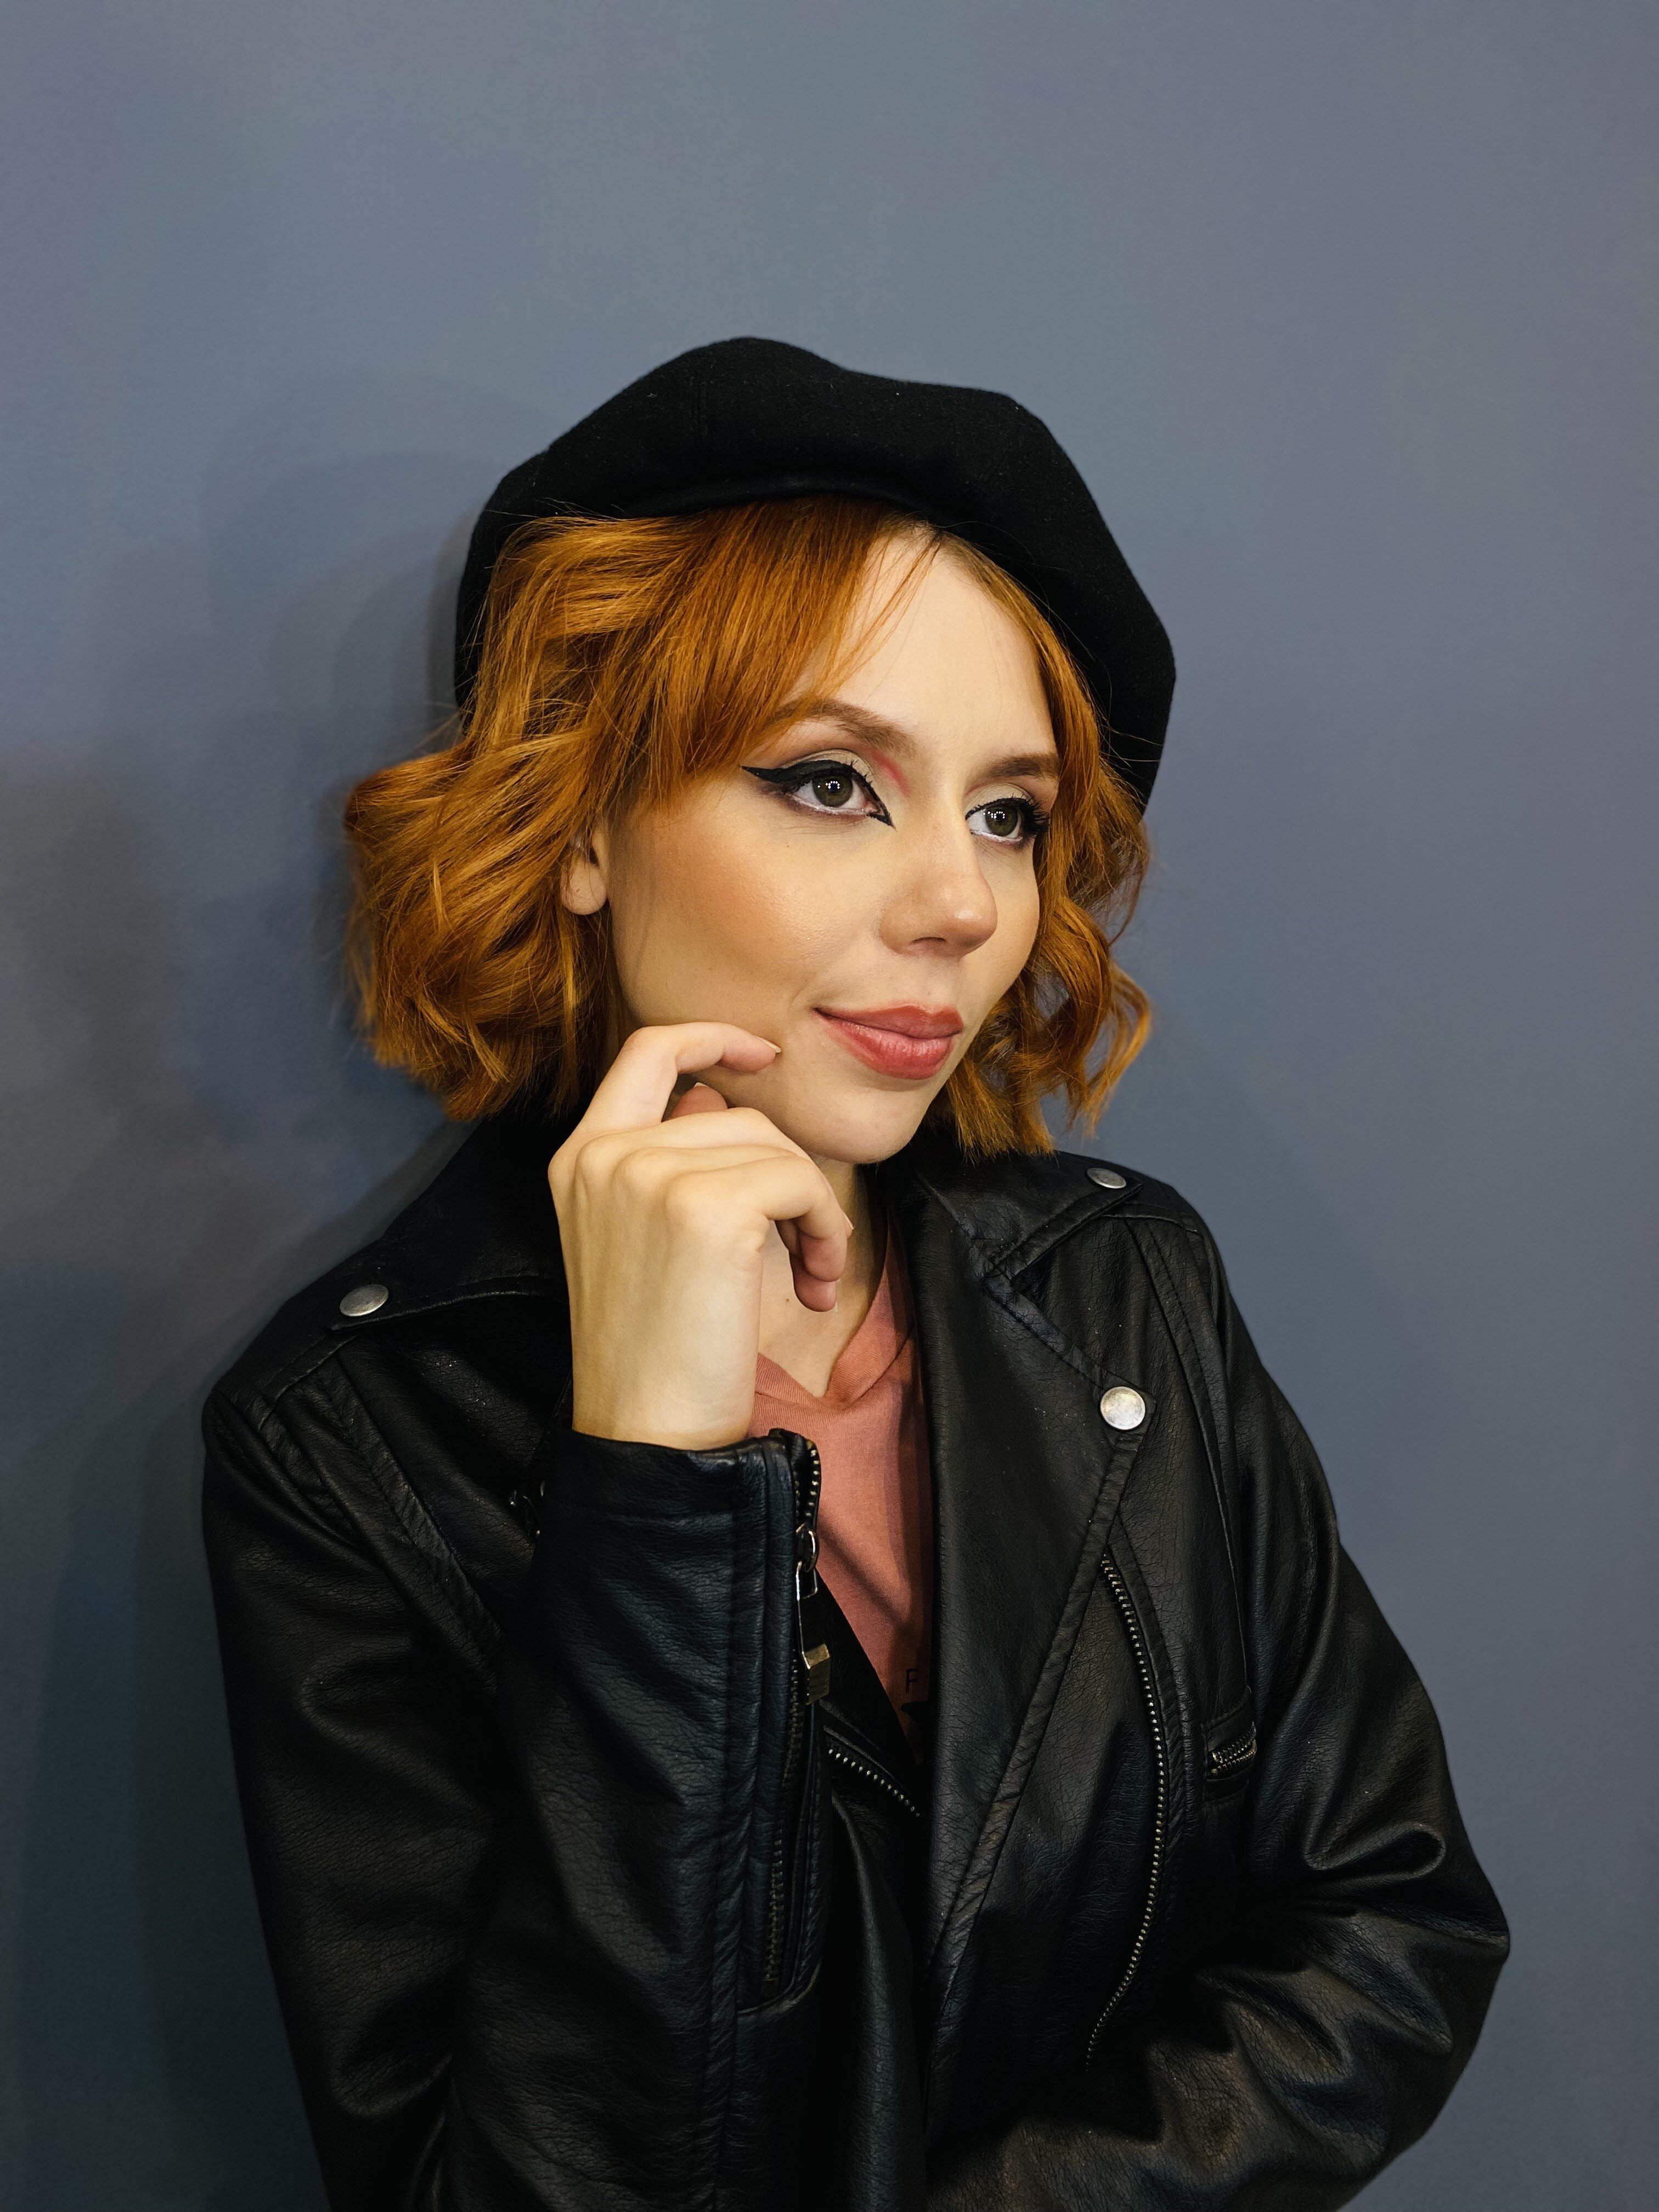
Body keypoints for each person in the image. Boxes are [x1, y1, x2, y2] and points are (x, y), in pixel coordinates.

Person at [202, 338, 1508, 2211]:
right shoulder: (349, 1448)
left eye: (1007, 812)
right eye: (832, 782)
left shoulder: (1125, 1289)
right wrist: (652, 1485)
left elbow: (1395, 1923)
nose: (965, 905)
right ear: (582, 819)